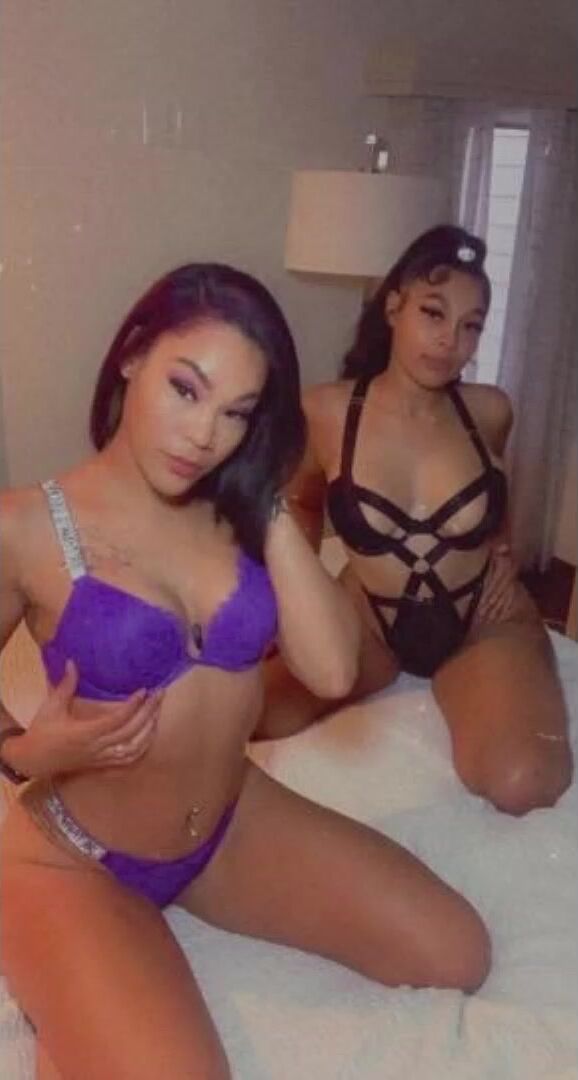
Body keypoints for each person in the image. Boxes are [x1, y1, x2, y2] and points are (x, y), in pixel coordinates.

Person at [0, 262, 490, 1080]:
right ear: (132, 357)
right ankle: (68, 976)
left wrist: (266, 499)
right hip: (78, 858)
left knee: (456, 951)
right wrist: (24, 753)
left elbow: (331, 669)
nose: (204, 435)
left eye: (237, 412)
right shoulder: (23, 526)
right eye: (185, 389)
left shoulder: (237, 512)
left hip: (225, 826)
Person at [258, 225, 573, 818]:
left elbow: (496, 498)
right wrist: (294, 604)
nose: (450, 339)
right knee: (243, 716)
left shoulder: (490, 410)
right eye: (433, 312)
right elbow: (302, 504)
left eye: (471, 325)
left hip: (481, 620)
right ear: (394, 307)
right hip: (369, 622)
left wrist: (503, 554)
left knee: (524, 782)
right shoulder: (325, 411)